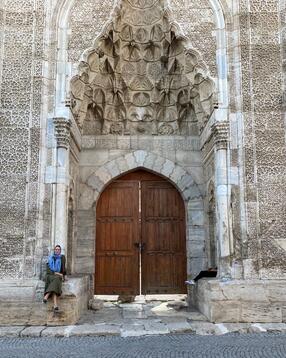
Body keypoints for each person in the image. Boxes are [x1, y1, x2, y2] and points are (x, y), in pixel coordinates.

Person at [43, 245, 66, 311]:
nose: (57, 250)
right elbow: (48, 270)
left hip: (57, 276)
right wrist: (58, 273)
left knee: (56, 281)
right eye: (56, 249)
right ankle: (55, 304)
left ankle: (47, 297)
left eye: (58, 249)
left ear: (60, 251)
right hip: (50, 275)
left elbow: (63, 268)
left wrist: (64, 275)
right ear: (54, 250)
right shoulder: (50, 258)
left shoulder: (62, 258)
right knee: (57, 279)